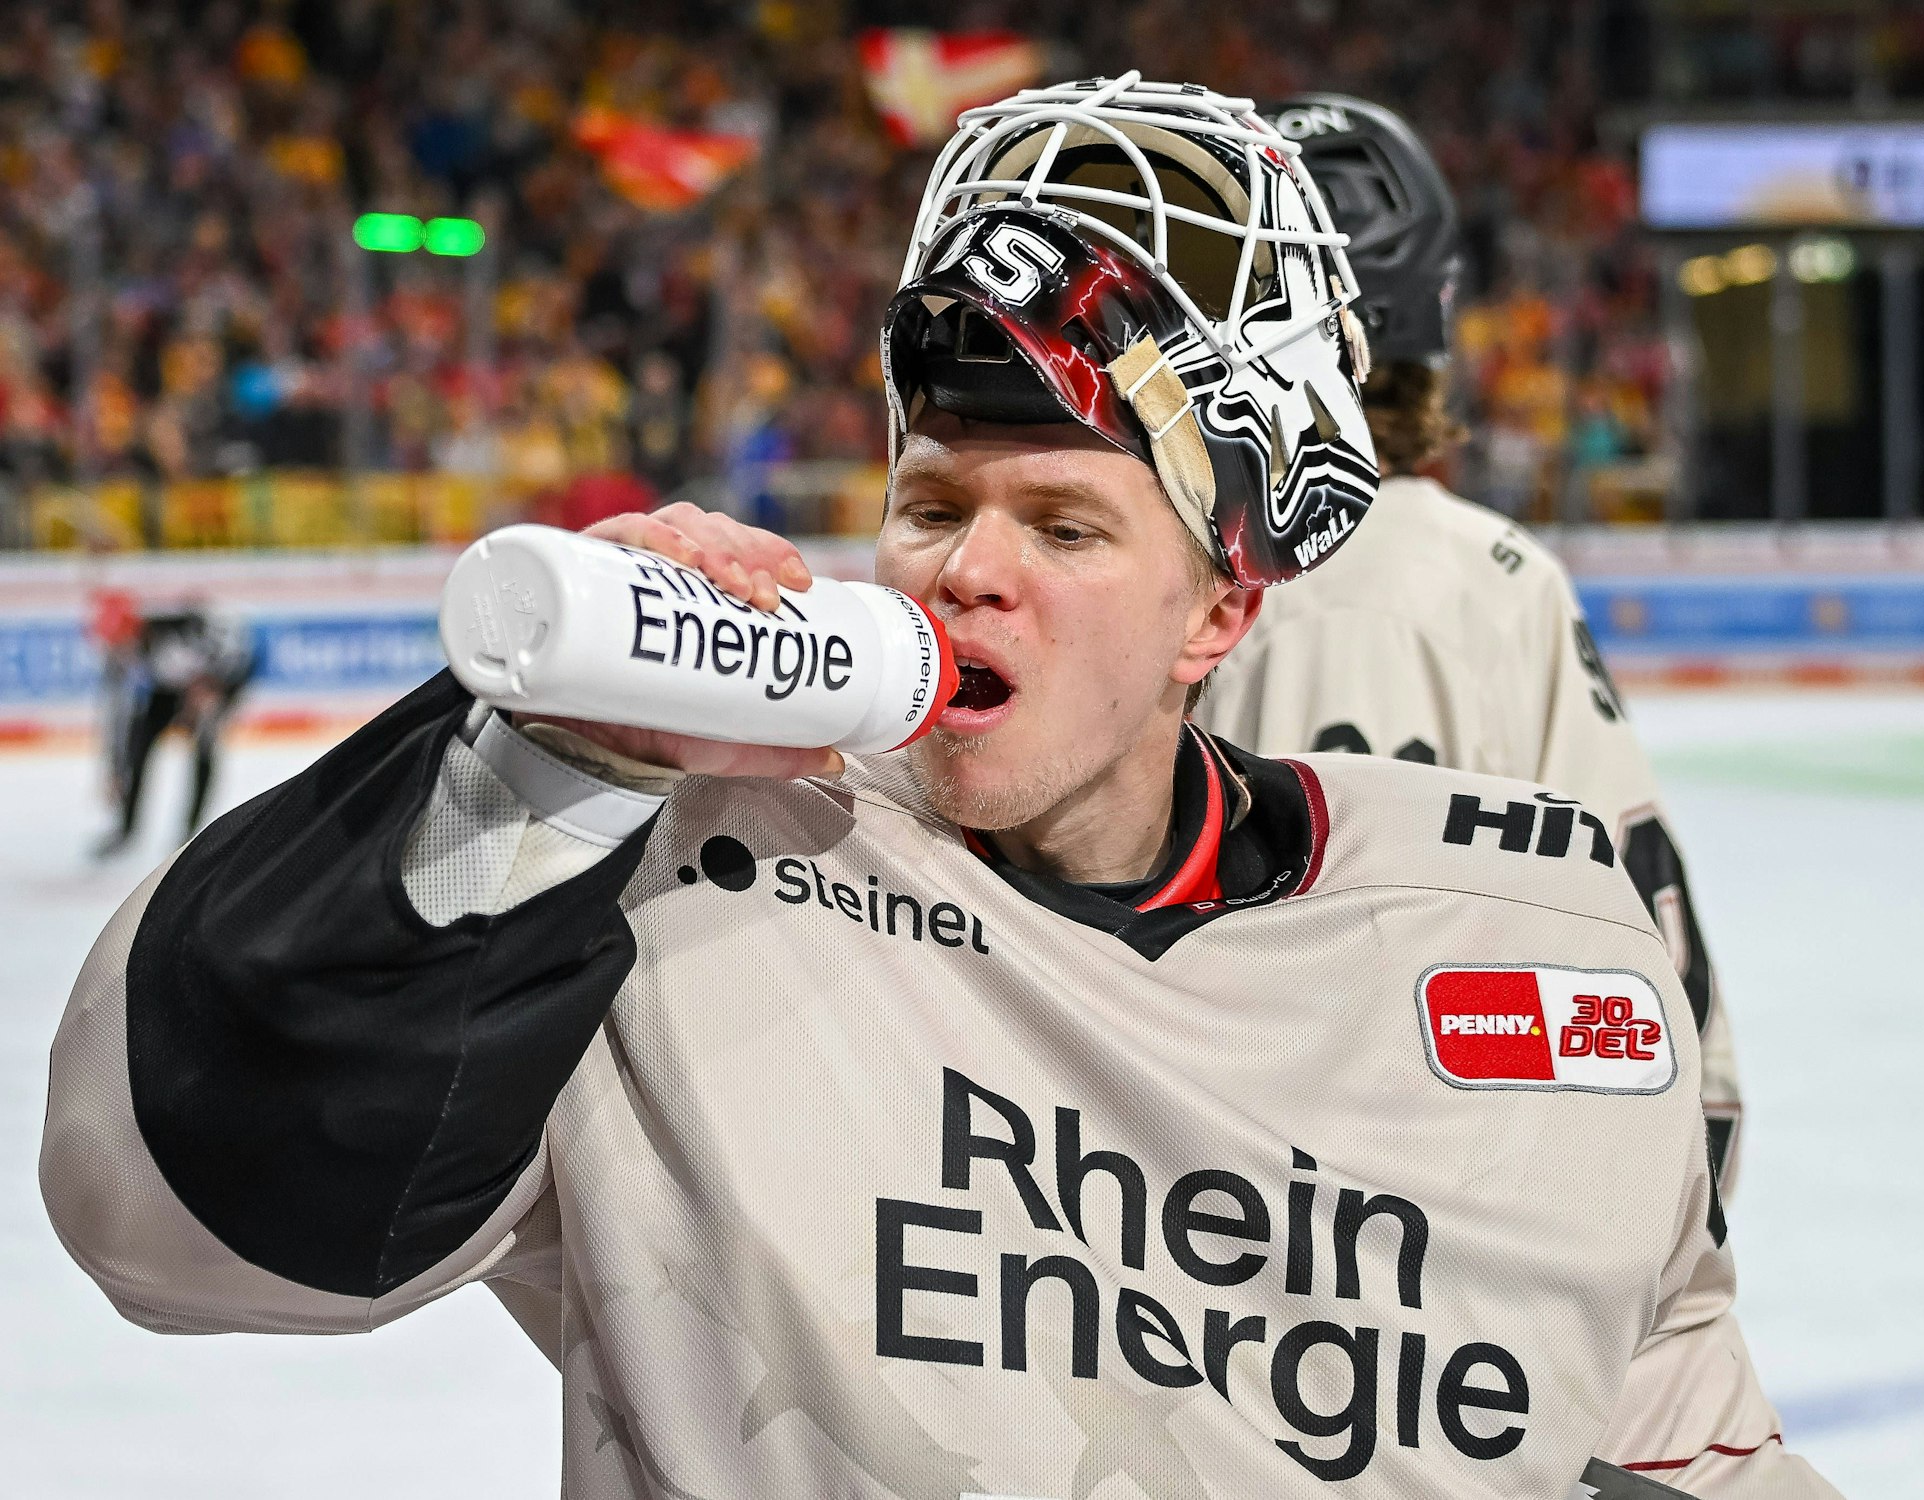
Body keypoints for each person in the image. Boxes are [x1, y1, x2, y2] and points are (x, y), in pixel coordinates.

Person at [43, 78, 1833, 1499]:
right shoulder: (684, 882)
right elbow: (174, 1231)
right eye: (930, 507)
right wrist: (542, 768)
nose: (967, 569)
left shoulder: (1514, 923)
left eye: (1062, 525)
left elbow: (1676, 1442)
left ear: (1226, 600)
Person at [1200, 95, 1743, 1197]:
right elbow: (1651, 972)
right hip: (1480, 1230)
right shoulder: (1491, 578)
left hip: (1284, 1250)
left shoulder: (1218, 575)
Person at [89, 594, 254, 859]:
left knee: (204, 745)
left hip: (215, 680)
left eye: (116, 642)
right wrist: (116, 769)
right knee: (139, 739)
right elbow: (117, 716)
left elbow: (235, 655)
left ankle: (192, 834)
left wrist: (212, 689)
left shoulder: (178, 633)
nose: (113, 649)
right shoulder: (120, 659)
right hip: (171, 687)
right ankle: (127, 829)